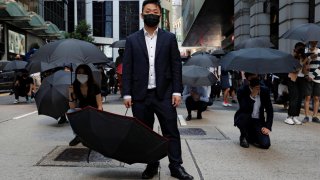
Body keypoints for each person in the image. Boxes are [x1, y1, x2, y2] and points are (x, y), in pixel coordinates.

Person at [122, 1, 193, 179]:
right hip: (140, 95)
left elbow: (176, 66)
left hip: (165, 94)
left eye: (155, 11)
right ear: (141, 15)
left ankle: (176, 166)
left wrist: (177, 91)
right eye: (148, 11)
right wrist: (127, 93)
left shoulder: (169, 38)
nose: (151, 14)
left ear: (160, 15)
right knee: (146, 134)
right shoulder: (131, 40)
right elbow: (127, 68)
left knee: (171, 131)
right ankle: (151, 165)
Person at [234, 72, 273, 149]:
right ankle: (243, 136)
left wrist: (268, 126)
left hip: (258, 120)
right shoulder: (242, 90)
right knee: (243, 117)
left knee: (265, 144)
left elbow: (270, 110)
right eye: (252, 76)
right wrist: (252, 96)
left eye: (256, 75)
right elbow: (243, 108)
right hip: (245, 118)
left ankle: (251, 136)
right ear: (248, 78)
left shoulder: (264, 90)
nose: (255, 78)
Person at [68, 64, 103, 146]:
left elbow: (100, 105)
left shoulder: (95, 86)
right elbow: (72, 107)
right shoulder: (75, 86)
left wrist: (98, 113)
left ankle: (91, 136)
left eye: (84, 73)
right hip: (82, 110)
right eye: (79, 73)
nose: (81, 75)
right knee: (70, 112)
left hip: (93, 110)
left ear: (88, 74)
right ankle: (78, 136)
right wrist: (70, 93)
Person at [284, 42, 309, 125]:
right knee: (294, 96)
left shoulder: (304, 57)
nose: (302, 50)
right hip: (292, 78)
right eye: (300, 48)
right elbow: (294, 69)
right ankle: (289, 117)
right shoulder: (292, 57)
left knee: (299, 98)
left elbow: (305, 72)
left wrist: (307, 64)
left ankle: (295, 116)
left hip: (301, 79)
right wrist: (302, 62)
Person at [303, 41, 320, 123]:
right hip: (307, 77)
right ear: (310, 42)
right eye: (312, 42)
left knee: (316, 97)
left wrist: (313, 75)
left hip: (317, 77)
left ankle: (315, 116)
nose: (314, 43)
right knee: (308, 97)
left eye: (315, 42)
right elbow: (303, 64)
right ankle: (306, 116)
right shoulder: (306, 52)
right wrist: (310, 58)